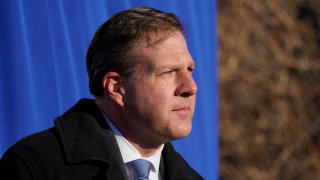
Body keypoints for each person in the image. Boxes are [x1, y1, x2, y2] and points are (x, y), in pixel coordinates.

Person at [0, 7, 203, 180]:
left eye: (190, 70)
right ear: (116, 88)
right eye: (168, 72)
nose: (190, 87)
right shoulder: (34, 166)